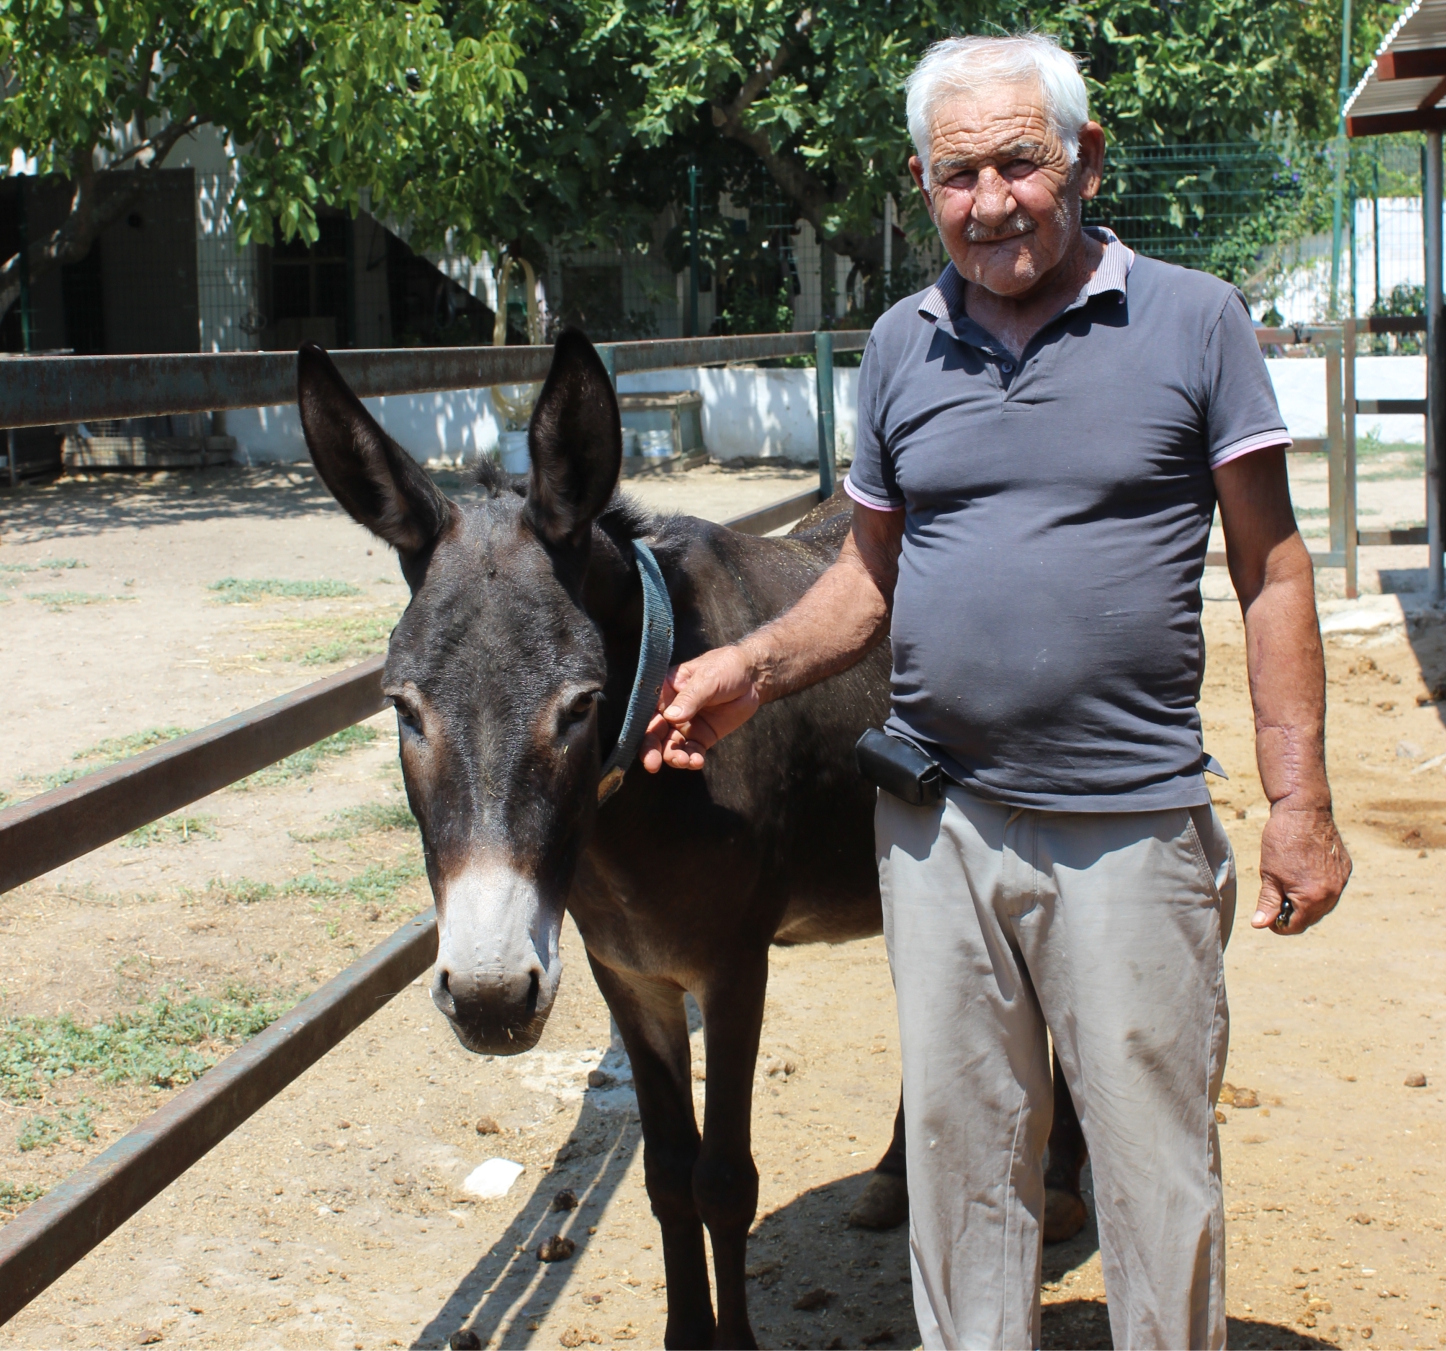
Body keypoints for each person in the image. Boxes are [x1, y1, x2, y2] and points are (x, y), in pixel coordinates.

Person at [640, 31, 1353, 1351]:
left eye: (1018, 163)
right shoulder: (903, 347)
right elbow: (869, 574)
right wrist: (750, 664)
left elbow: (1270, 568)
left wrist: (1296, 794)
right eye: (956, 174)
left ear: (1079, 159)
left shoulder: (1192, 321)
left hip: (1128, 828)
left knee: (1152, 1172)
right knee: (962, 1173)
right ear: (921, 183)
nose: (990, 200)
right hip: (937, 831)